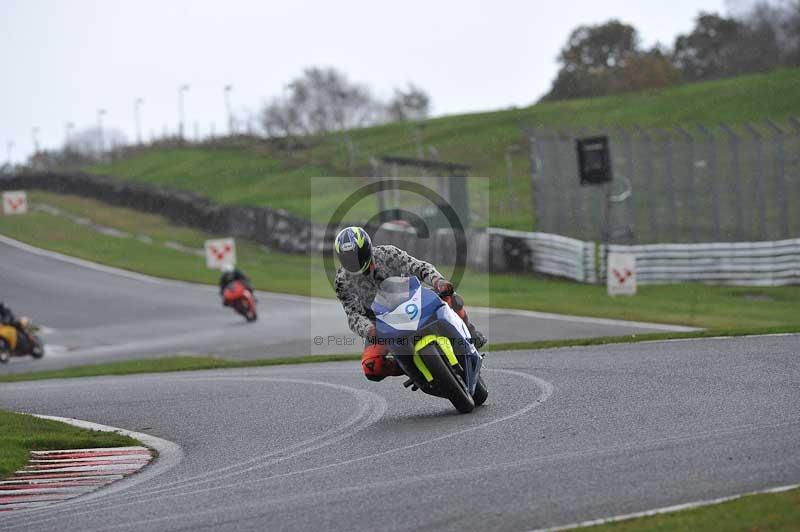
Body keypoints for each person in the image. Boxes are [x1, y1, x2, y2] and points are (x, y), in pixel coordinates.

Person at [333, 226, 486, 382]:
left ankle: (471, 335)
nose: (353, 262)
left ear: (366, 249)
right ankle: (410, 368)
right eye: (347, 259)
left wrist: (438, 281)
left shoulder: (388, 254)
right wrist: (369, 329)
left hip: (412, 301)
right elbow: (352, 313)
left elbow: (418, 267)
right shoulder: (342, 281)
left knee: (450, 296)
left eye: (356, 256)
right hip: (380, 324)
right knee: (371, 366)